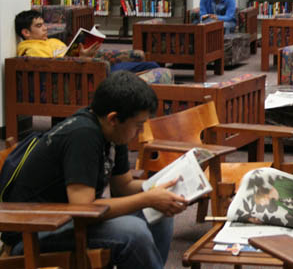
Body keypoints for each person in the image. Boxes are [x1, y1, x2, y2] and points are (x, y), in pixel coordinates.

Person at [1, 71, 188, 269]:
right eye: (138, 125)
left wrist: (162, 187)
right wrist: (148, 198)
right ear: (114, 118)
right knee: (134, 233)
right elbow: (84, 208)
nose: (140, 132)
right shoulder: (83, 135)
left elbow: (123, 186)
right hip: (35, 232)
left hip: (70, 219)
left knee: (159, 214)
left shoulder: (114, 131)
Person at [15, 9, 159, 73]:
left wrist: (86, 55)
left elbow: (68, 56)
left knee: (149, 65)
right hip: (84, 76)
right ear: (26, 32)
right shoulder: (32, 50)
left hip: (91, 68)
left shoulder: (52, 41)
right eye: (39, 26)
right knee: (149, 67)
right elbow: (53, 70)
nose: (45, 28)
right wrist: (81, 59)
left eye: (44, 24)